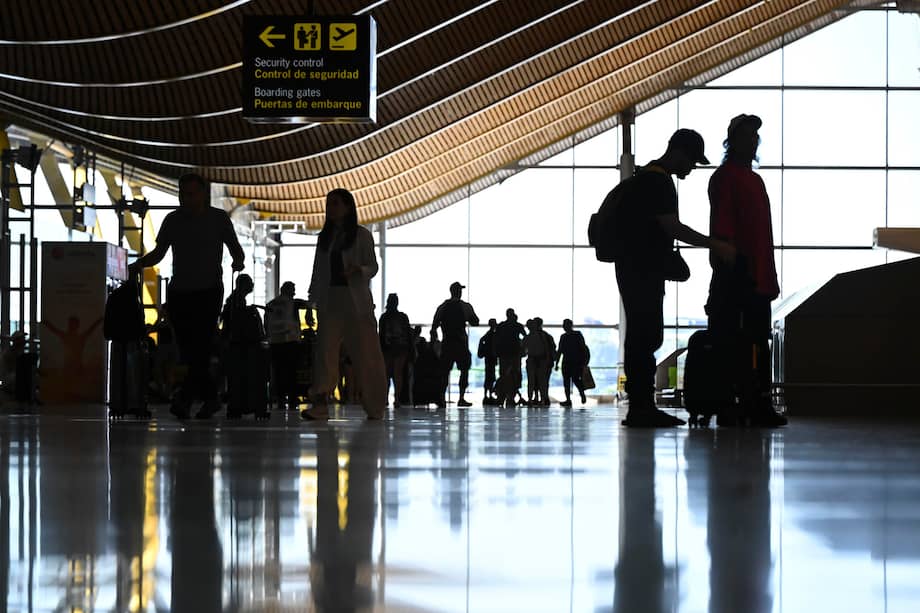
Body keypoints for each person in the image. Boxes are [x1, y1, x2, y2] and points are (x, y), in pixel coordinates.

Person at [614, 129, 735, 427]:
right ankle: (641, 408)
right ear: (679, 152)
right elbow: (673, 228)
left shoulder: (644, 176)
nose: (692, 168)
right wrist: (714, 244)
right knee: (646, 334)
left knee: (642, 334)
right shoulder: (658, 182)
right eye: (692, 160)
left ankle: (640, 406)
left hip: (633, 267)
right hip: (644, 269)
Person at [128, 173, 245, 419]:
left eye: (191, 194)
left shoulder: (218, 219)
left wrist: (239, 261)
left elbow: (236, 248)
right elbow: (159, 253)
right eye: (183, 194)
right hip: (179, 292)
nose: (186, 199)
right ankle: (209, 398)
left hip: (208, 291)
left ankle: (185, 398)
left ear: (203, 194)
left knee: (199, 346)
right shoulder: (172, 220)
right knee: (191, 350)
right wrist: (140, 264)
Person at [707, 114, 787, 427]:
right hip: (740, 273)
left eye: (755, 136)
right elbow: (724, 225)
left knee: (754, 340)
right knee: (739, 340)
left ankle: (752, 402)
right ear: (732, 141)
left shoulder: (752, 180)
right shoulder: (727, 178)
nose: (753, 141)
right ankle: (738, 402)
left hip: (755, 275)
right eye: (746, 136)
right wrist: (731, 265)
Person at [301, 188, 386, 420]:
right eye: (329, 204)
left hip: (356, 301)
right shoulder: (324, 238)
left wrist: (359, 270)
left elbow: (373, 266)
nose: (330, 208)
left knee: (366, 352)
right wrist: (311, 303)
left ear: (348, 207)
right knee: (324, 352)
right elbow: (318, 273)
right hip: (330, 300)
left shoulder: (362, 235)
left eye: (336, 203)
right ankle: (320, 403)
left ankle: (374, 404)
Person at [431, 281, 480, 408]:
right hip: (460, 343)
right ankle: (461, 398)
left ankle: (442, 398)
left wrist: (434, 343)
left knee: (444, 372)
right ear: (459, 292)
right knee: (464, 370)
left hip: (447, 343)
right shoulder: (465, 306)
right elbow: (475, 321)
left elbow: (434, 325)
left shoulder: (443, 307)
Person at [265, 281, 309, 411]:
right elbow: (308, 304)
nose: (294, 292)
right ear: (288, 290)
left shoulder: (271, 304)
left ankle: (280, 399)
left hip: (275, 342)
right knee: (292, 372)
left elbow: (266, 323)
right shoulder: (293, 303)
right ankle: (292, 399)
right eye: (293, 290)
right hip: (290, 341)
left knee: (278, 372)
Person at [378, 293, 414, 408]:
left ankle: (385, 398)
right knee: (398, 374)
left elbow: (381, 335)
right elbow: (408, 334)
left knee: (386, 375)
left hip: (387, 349)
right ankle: (397, 399)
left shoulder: (384, 317)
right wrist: (411, 350)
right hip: (401, 348)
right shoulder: (403, 317)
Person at [493, 308, 527, 409]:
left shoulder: (501, 326)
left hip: (504, 354)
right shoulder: (517, 326)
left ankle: (502, 395)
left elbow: (496, 339)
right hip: (515, 354)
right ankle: (510, 396)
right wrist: (522, 348)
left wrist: (496, 352)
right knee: (514, 375)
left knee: (504, 375)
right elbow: (525, 336)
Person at [555, 318, 590, 407]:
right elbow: (560, 350)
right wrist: (557, 363)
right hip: (572, 362)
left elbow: (560, 350)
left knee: (572, 380)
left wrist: (557, 363)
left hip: (572, 362)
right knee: (572, 380)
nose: (564, 327)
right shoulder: (574, 335)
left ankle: (574, 397)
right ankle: (572, 398)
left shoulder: (571, 335)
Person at [477, 318, 498, 404]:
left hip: (489, 358)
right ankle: (488, 395)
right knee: (490, 377)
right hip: (491, 358)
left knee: (489, 377)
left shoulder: (488, 335)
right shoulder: (492, 335)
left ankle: (487, 395)